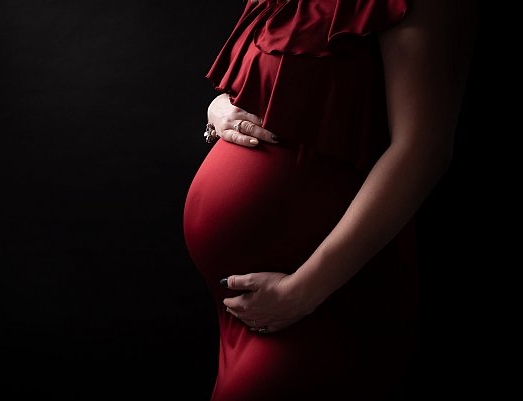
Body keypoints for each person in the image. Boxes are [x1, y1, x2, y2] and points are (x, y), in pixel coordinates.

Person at [183, 0, 476, 400]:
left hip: (324, 298)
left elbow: (423, 150)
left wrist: (303, 292)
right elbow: (276, 87)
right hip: (255, 309)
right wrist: (219, 110)